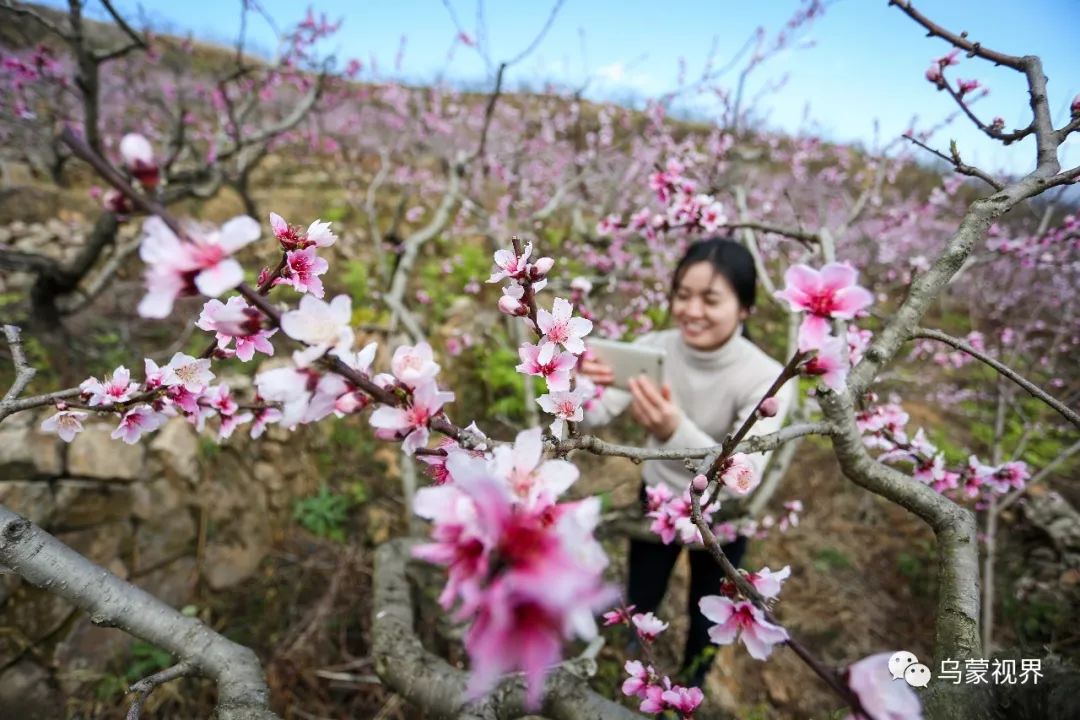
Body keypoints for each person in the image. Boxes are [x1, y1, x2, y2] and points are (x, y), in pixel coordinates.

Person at [579, 236, 795, 689]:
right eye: (682, 294)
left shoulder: (765, 377)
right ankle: (636, 657)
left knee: (709, 609)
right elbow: (595, 414)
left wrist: (672, 431)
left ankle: (694, 680)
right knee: (642, 592)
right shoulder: (655, 347)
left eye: (710, 299)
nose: (692, 310)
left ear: (745, 309)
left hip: (722, 517)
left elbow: (743, 476)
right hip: (658, 499)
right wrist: (579, 385)